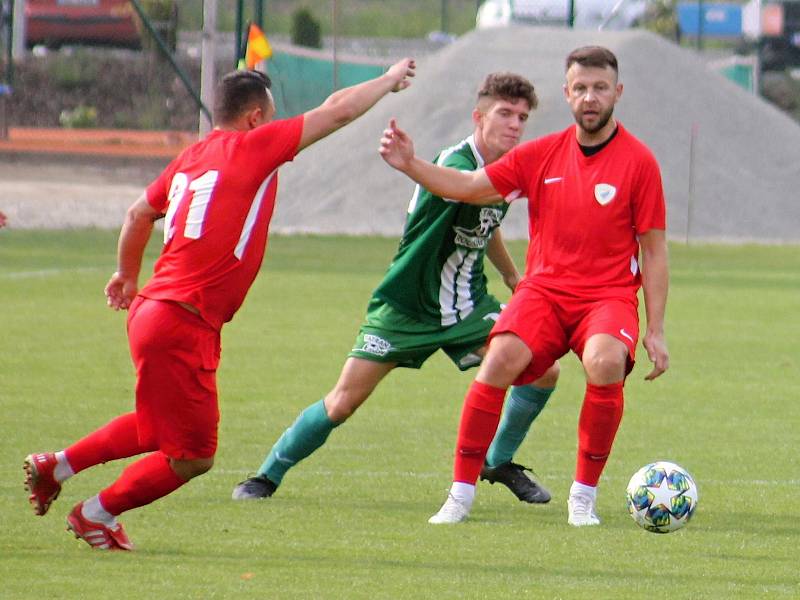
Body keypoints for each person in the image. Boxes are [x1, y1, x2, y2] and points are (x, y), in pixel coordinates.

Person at [23, 59, 416, 550]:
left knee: (155, 427)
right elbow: (335, 112)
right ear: (254, 118)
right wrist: (386, 79)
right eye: (270, 116)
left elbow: (138, 212)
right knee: (194, 455)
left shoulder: (191, 157)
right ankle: (95, 514)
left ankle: (56, 465)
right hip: (183, 319)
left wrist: (126, 274)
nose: (276, 127)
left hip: (154, 309)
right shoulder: (252, 146)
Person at [232, 72, 560, 505]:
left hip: (466, 305)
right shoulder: (458, 165)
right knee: (343, 401)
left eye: (522, 116)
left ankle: (496, 461)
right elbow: (465, 191)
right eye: (505, 113)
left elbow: (487, 220)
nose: (515, 124)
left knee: (543, 370)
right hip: (405, 306)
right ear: (478, 117)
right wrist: (410, 163)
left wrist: (512, 276)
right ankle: (265, 476)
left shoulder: (502, 171)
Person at [379, 46, 669, 526]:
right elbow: (469, 186)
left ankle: (583, 498)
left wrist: (655, 329)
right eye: (580, 88)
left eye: (600, 87)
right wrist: (410, 164)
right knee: (498, 361)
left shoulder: (639, 162)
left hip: (607, 297)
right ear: (567, 94)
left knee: (604, 362)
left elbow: (654, 251)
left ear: (617, 92)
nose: (590, 97)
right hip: (544, 293)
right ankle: (460, 494)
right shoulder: (542, 154)